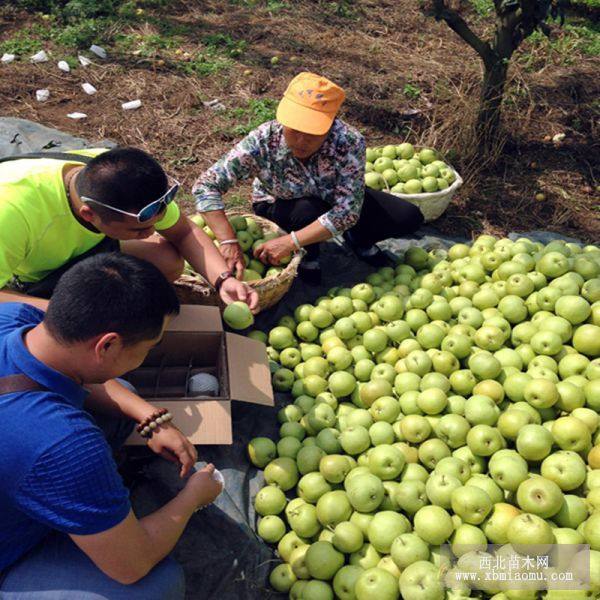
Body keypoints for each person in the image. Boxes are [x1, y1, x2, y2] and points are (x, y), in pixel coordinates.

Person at [0, 253, 223, 599]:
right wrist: (195, 496)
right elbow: (131, 564)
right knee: (153, 585)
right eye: (149, 348)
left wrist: (150, 417)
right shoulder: (64, 443)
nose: (146, 357)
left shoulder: (13, 317)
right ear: (107, 344)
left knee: (125, 398)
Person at [192, 72, 424, 285]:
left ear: (331, 123)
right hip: (280, 204)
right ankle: (307, 256)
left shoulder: (349, 142)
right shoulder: (263, 140)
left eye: (312, 133)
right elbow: (206, 185)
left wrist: (290, 242)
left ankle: (358, 238)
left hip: (331, 200)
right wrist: (228, 241)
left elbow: (348, 210)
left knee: (407, 217)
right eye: (294, 129)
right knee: (306, 210)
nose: (301, 141)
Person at [0, 147, 258, 311]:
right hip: (35, 277)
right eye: (138, 231)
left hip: (82, 252)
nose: (150, 233)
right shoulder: (12, 212)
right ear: (89, 215)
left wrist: (224, 280)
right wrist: (61, 312)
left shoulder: (116, 174)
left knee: (166, 259)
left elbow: (184, 232)